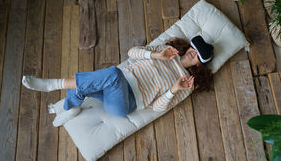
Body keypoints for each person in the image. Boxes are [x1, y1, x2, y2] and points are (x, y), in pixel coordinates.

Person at [22, 35, 214, 127]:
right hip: (114, 86)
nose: (194, 52)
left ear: (199, 65)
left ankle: (52, 85)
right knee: (83, 82)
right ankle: (71, 107)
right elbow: (131, 53)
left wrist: (174, 89)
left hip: (126, 102)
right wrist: (156, 55)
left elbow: (157, 108)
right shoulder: (165, 49)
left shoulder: (186, 83)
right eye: (195, 47)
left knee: (113, 73)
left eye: (199, 55)